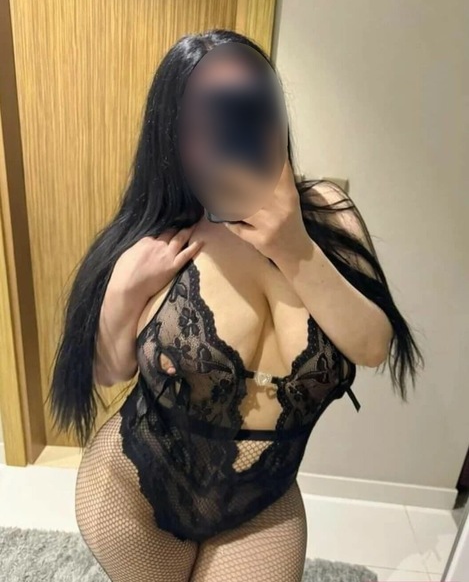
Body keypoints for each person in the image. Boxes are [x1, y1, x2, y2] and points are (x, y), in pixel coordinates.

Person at [46, 29, 424, 582]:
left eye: (249, 107)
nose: (232, 130)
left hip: (261, 500)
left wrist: (294, 248)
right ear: (173, 134)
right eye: (208, 117)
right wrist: (124, 289)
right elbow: (109, 372)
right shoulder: (163, 233)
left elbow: (373, 347)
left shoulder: (330, 212)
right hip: (134, 493)